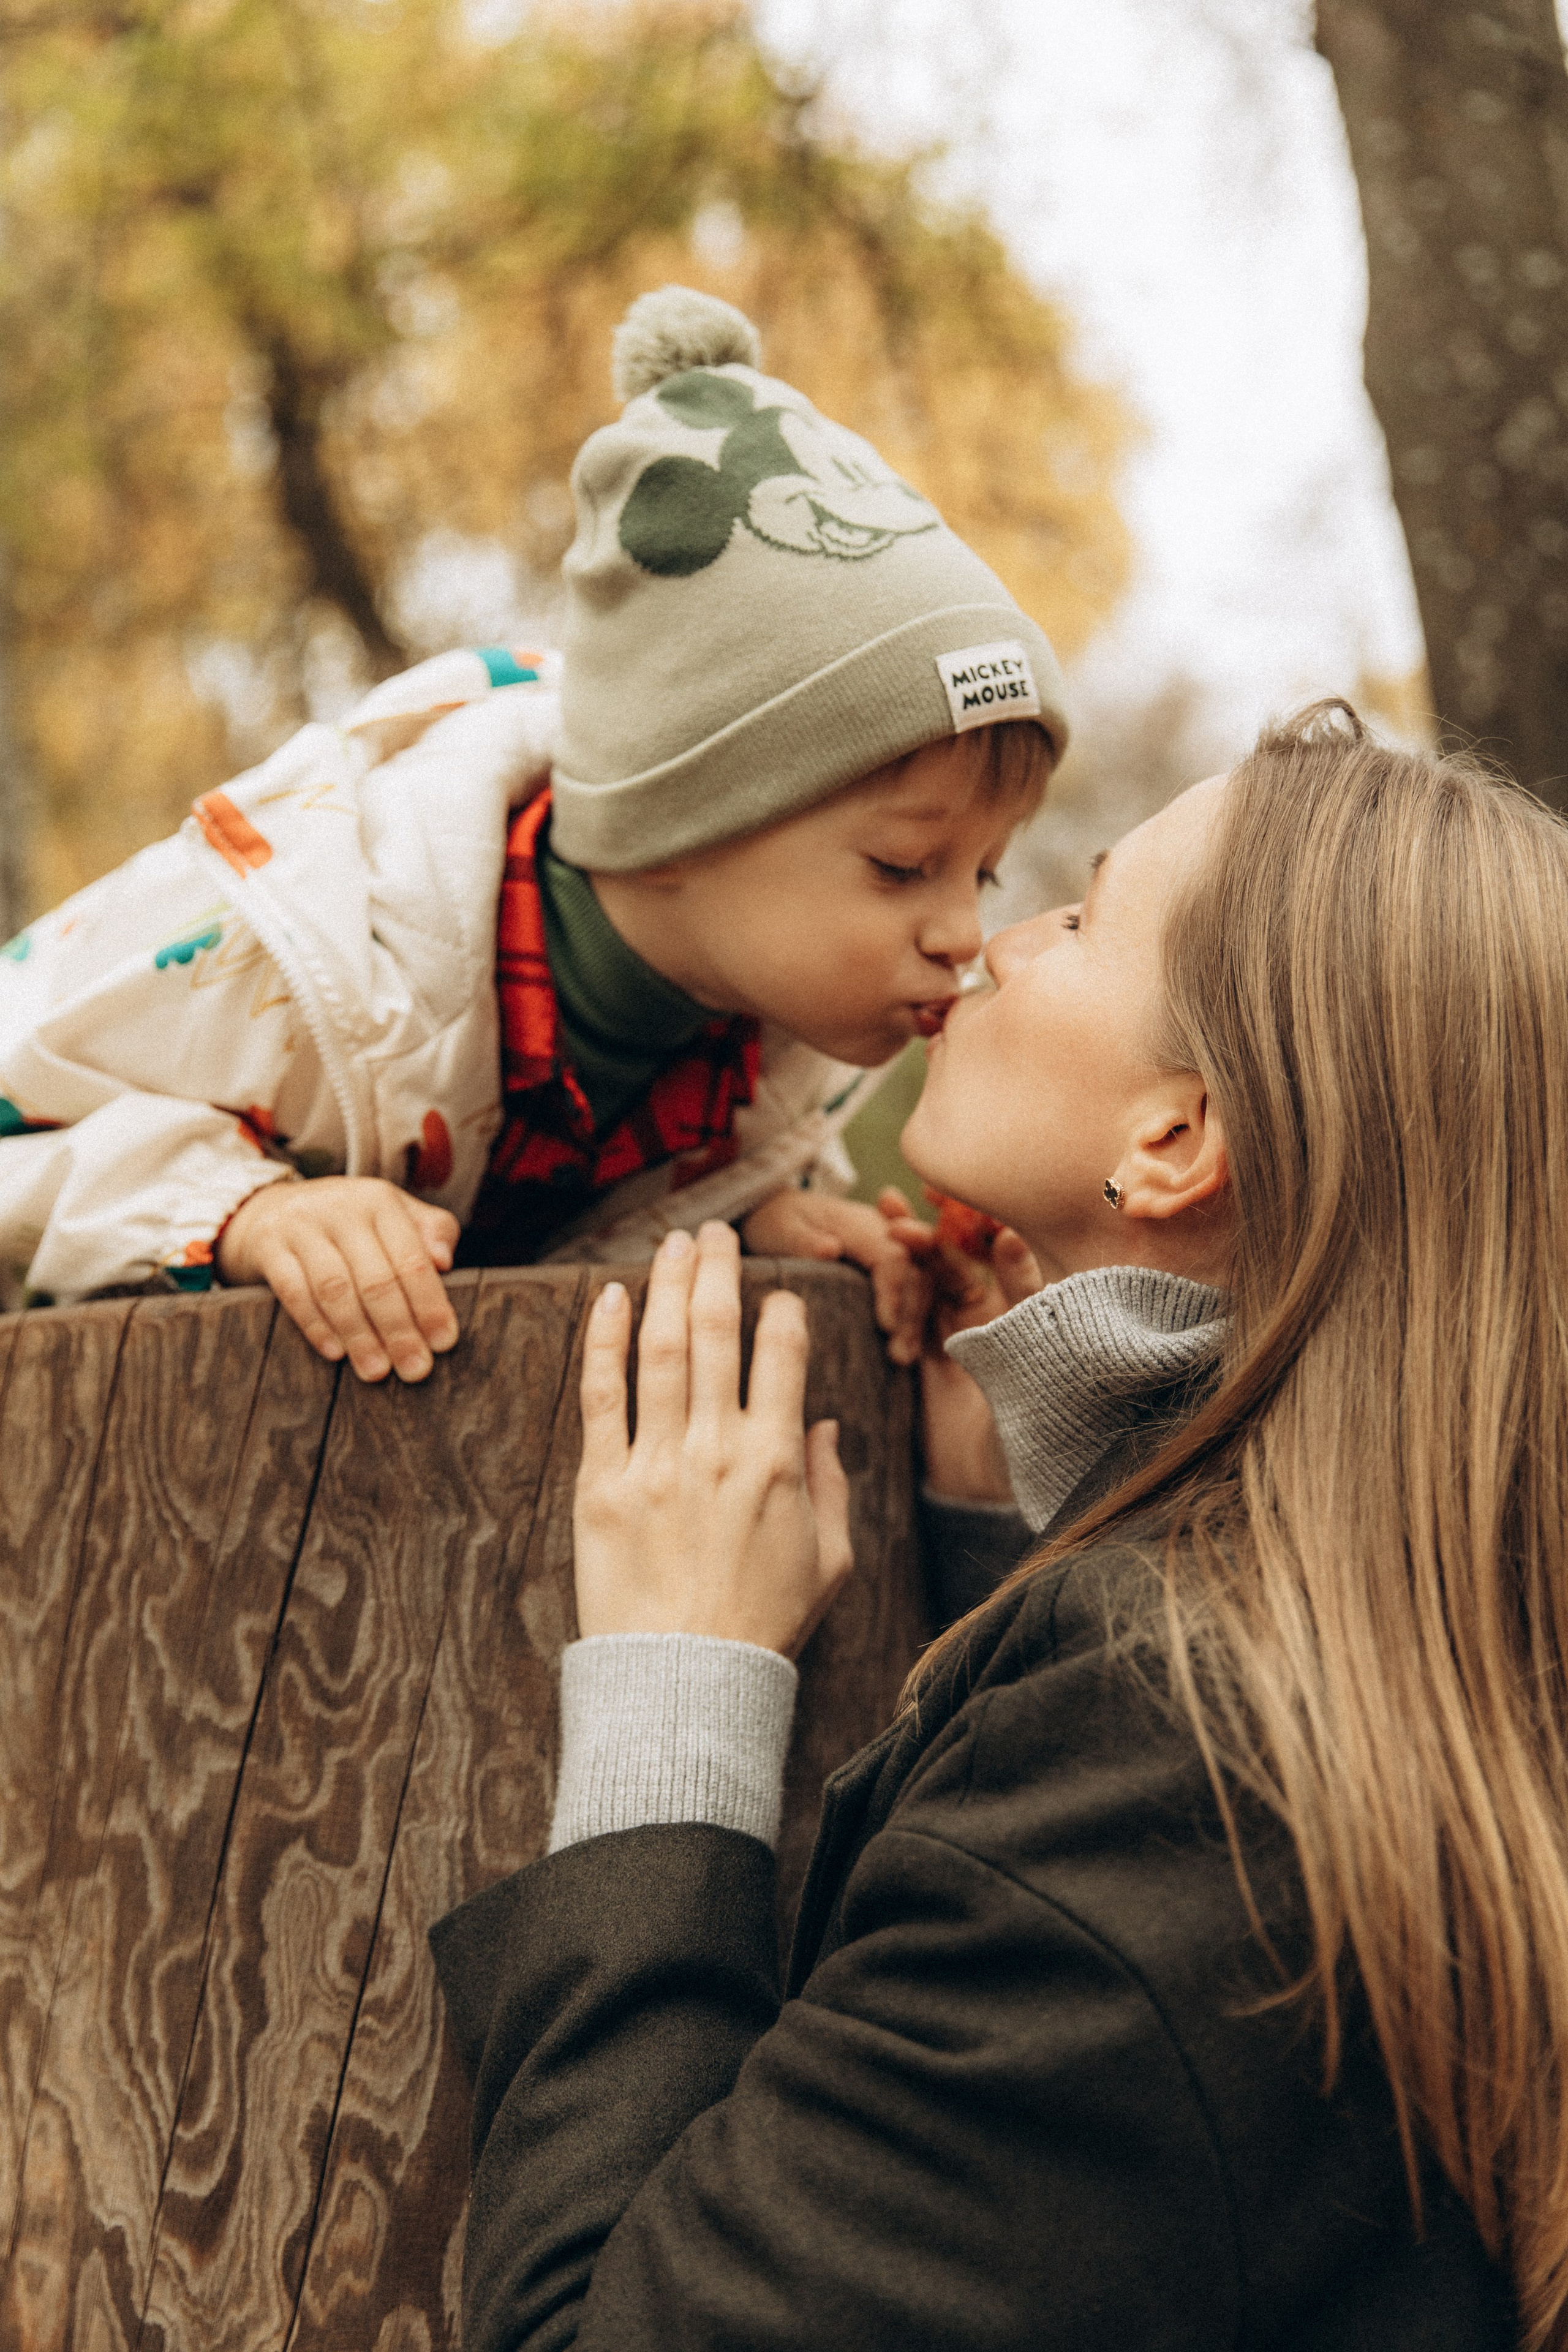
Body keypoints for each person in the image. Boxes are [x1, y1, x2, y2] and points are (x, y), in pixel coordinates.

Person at [429, 703, 1568, 2349]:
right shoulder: (1414, 1637)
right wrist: (1008, 1522)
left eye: (1082, 918)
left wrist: (676, 1687)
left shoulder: (1171, 1760)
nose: (990, 944)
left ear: (1175, 1139)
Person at [0, 286, 1063, 1379]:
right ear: (682, 817)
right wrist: (242, 1210)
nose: (963, 934)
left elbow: (567, 1238)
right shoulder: (297, 950)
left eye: (983, 874)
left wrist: (739, 1218)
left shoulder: (763, 1070)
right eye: (903, 865)